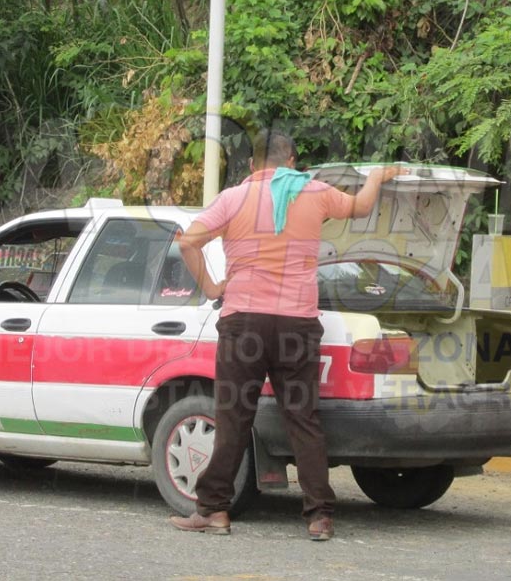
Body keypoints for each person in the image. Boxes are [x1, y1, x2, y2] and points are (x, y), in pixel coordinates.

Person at [168, 130, 404, 541]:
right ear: (292, 160)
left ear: (251, 165)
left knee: (233, 418)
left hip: (244, 323)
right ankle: (319, 516)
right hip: (297, 323)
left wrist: (211, 287)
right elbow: (362, 207)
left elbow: (188, 242)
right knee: (303, 420)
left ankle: (214, 511)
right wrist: (378, 176)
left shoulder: (232, 198)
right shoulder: (315, 192)